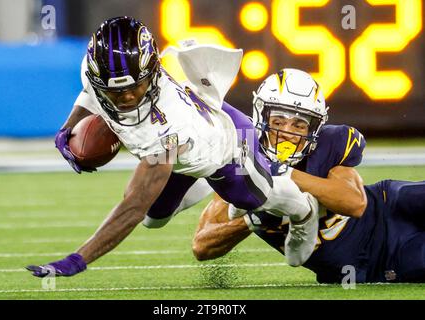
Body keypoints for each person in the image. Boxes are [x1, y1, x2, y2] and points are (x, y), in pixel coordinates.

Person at [25, 17, 320, 278]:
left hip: (228, 143)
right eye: (115, 91)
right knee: (156, 220)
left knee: (254, 198)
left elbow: (133, 207)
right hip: (183, 154)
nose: (126, 97)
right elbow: (91, 93)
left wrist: (79, 259)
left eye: (134, 87)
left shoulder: (170, 126)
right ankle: (202, 178)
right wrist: (66, 130)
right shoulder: (98, 73)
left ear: (152, 73)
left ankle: (304, 211)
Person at [191, 68, 425, 283]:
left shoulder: (329, 144)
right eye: (278, 121)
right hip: (370, 265)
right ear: (261, 118)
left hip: (391, 206)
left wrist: (283, 174)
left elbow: (355, 203)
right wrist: (252, 220)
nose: (287, 133)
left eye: (299, 125)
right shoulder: (245, 161)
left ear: (314, 129)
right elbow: (203, 245)